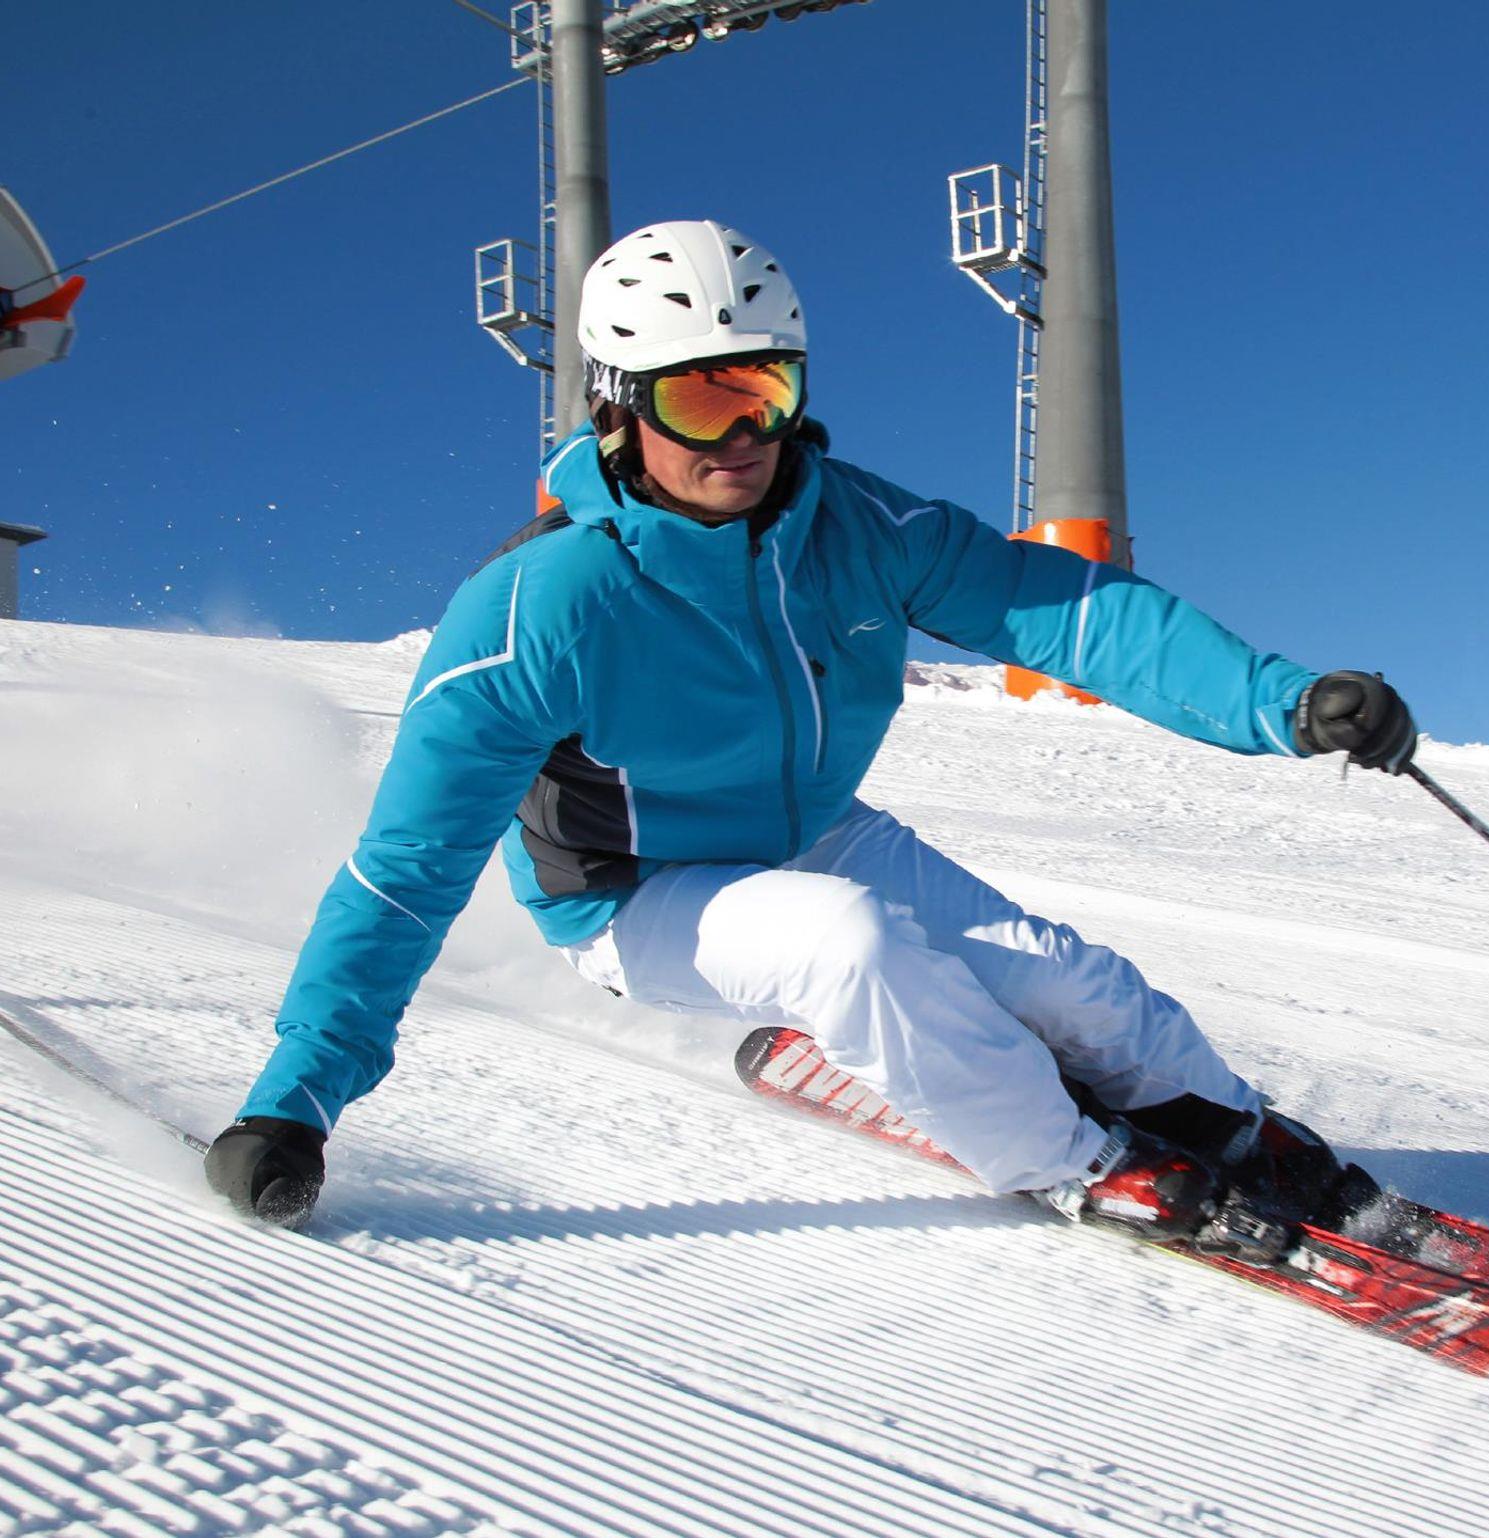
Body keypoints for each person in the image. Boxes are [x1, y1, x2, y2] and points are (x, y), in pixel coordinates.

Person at [204, 220, 1417, 1257]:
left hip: (809, 831)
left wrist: (1281, 699)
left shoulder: (855, 524)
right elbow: (406, 869)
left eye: (765, 391)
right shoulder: (538, 609)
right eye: (698, 398)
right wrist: (293, 1101)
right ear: (615, 406)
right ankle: (1073, 1159)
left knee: (1065, 979)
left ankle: (1231, 1125)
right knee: (846, 946)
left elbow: (1065, 611)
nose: (741, 435)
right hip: (633, 889)